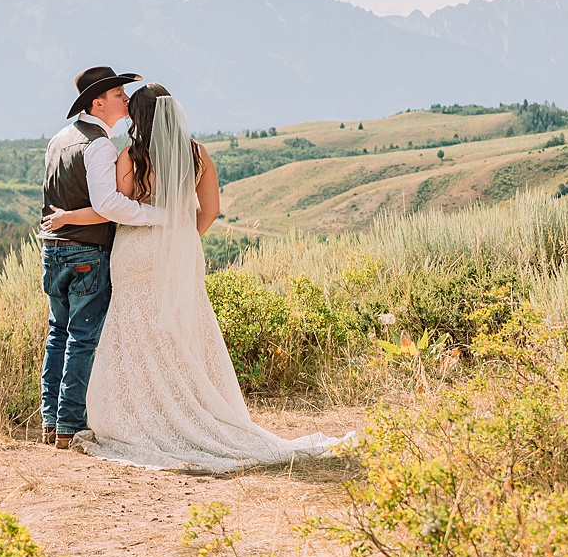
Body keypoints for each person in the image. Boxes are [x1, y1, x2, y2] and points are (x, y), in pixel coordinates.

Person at [47, 83, 346, 472]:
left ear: (140, 118)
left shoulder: (130, 157)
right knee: (179, 331)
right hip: (177, 254)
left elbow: (115, 209)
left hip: (134, 254)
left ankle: (140, 416)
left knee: (135, 332)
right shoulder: (198, 155)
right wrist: (182, 240)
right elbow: (210, 210)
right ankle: (192, 409)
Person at [38, 65, 156, 449]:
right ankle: (70, 424)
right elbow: (108, 205)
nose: (125, 99)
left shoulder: (59, 139)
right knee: (82, 338)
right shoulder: (100, 145)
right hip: (87, 250)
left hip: (52, 248)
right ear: (98, 102)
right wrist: (156, 216)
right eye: (119, 95)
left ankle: (51, 423)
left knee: (58, 335)